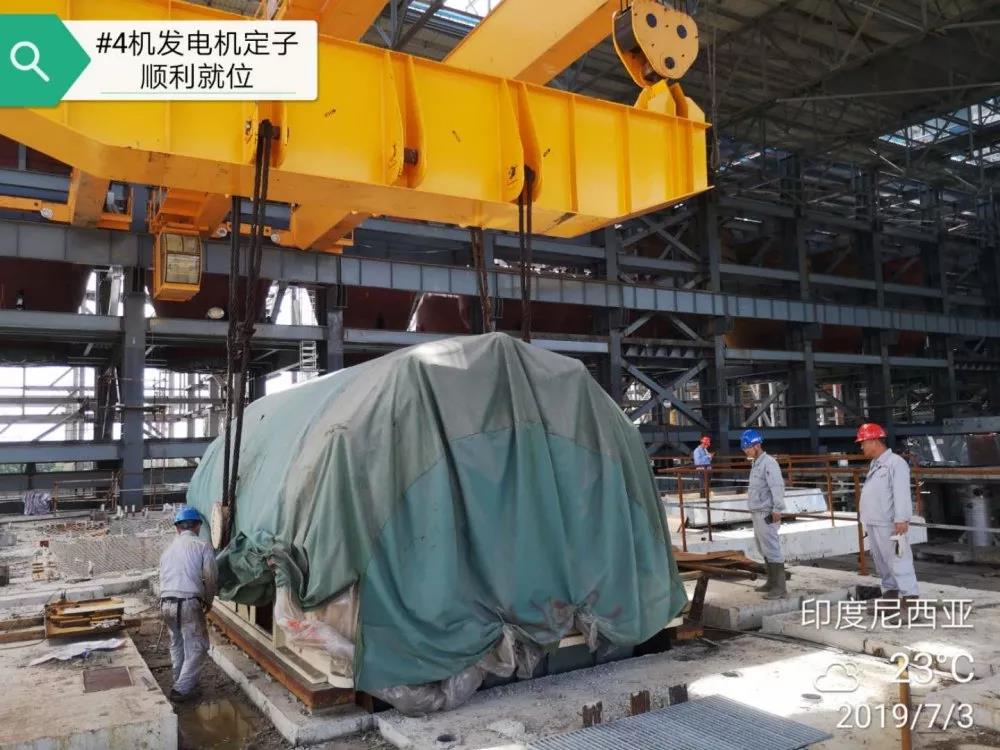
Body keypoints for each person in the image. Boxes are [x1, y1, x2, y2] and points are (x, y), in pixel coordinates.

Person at [159, 506, 218, 702]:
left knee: (177, 643)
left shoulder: (167, 550)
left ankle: (179, 680)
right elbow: (210, 577)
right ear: (198, 526)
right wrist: (208, 600)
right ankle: (181, 689)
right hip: (188, 603)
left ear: (177, 528)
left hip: (166, 603)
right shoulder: (203, 545)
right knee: (198, 646)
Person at [856, 423, 918, 603]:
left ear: (874, 441)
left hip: (889, 523)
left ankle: (910, 598)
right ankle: (890, 595)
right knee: (881, 561)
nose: (861, 447)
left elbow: (901, 492)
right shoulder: (876, 464)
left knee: (898, 560)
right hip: (874, 521)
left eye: (863, 442)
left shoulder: (895, 463)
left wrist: (902, 518)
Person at [742, 429, 787, 599]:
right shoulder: (756, 463)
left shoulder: (769, 463)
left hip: (766, 512)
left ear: (756, 445)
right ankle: (771, 582)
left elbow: (777, 486)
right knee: (763, 548)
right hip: (757, 511)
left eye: (748, 448)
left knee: (772, 547)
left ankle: (780, 588)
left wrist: (777, 509)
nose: (746, 451)